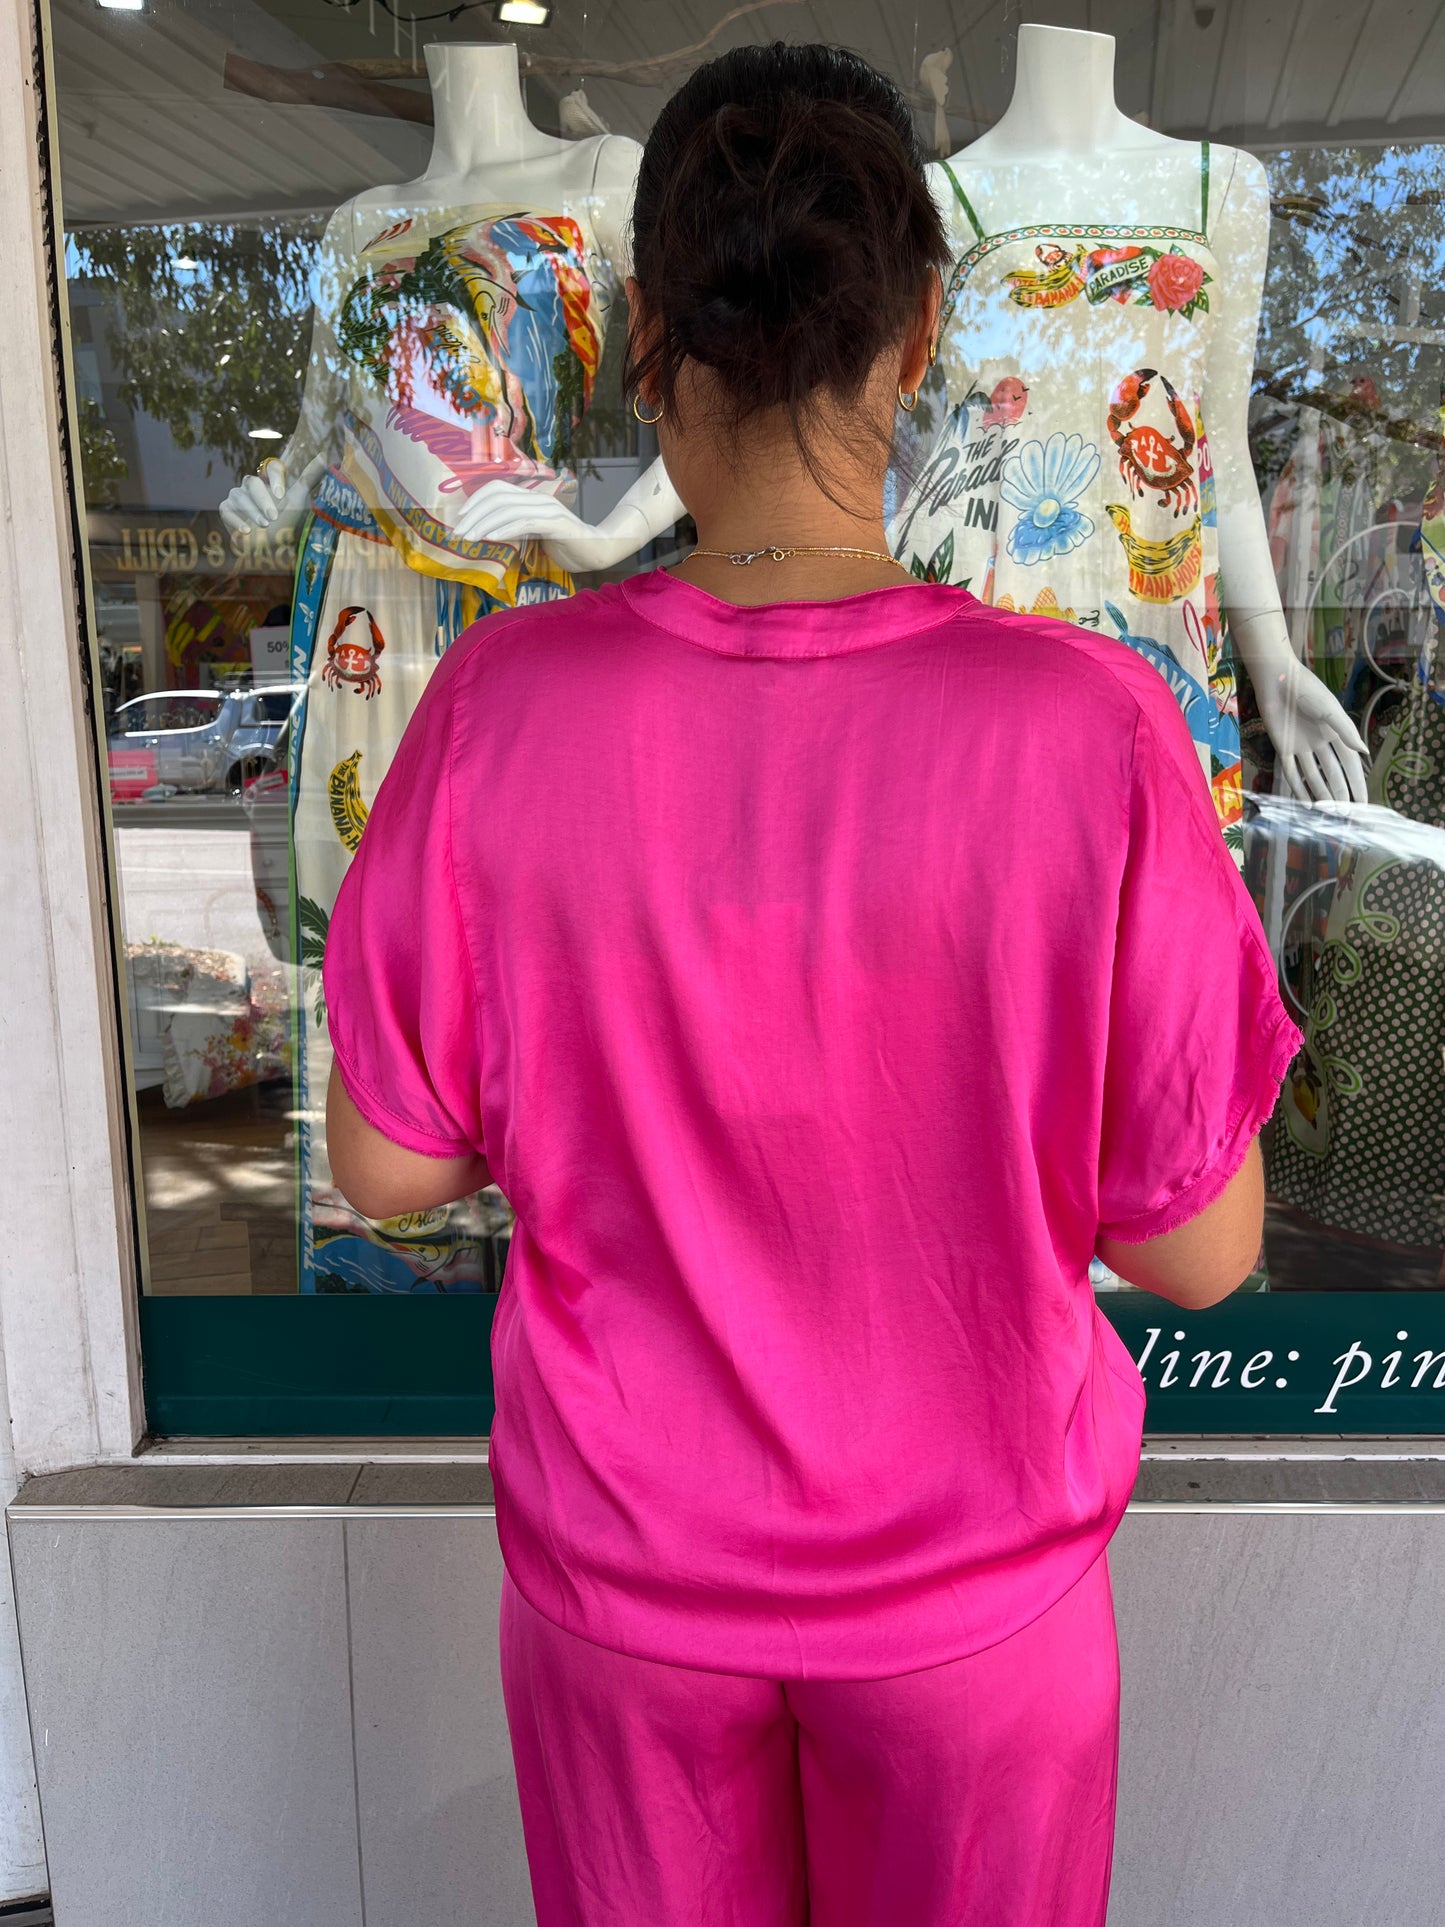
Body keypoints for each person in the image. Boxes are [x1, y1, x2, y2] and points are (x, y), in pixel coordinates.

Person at [323, 41, 1298, 1927]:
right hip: (972, 1628)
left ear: (638, 333)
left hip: (626, 1607)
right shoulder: (1090, 734)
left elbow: (386, 1172)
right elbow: (1199, 1251)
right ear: (920, 335)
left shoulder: (495, 713)